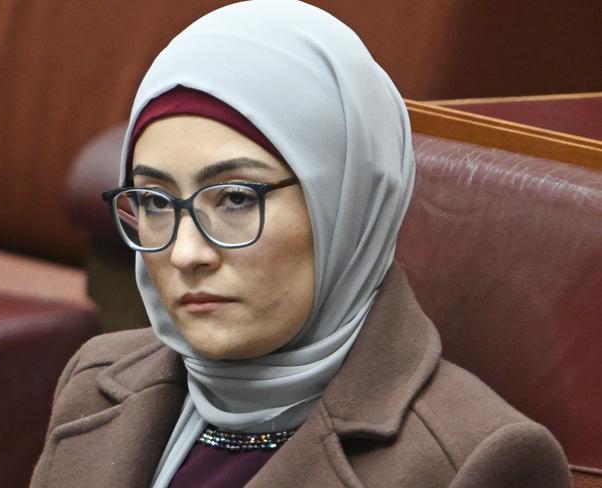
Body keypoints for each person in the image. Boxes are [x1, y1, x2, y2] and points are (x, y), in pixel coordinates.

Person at [30, 1, 571, 487]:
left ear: (345, 204)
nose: (186, 253)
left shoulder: (475, 462)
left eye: (237, 198)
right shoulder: (95, 381)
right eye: (155, 201)